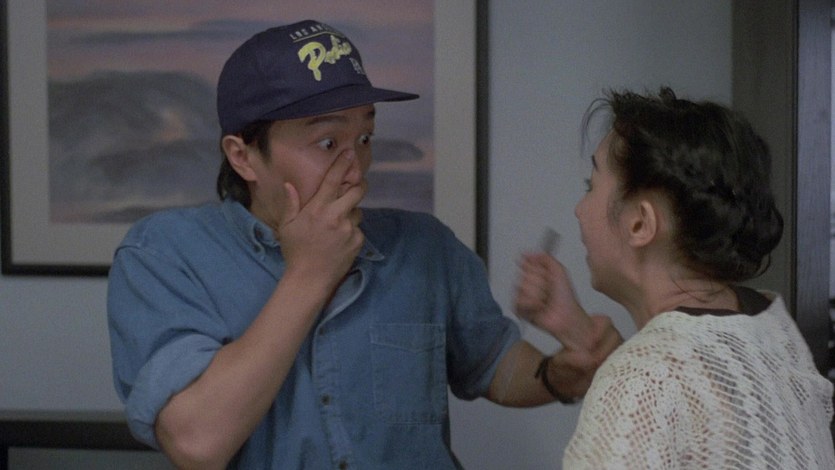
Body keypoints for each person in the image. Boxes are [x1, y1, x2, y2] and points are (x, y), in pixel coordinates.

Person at [107, 20, 621, 469]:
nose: (355, 169)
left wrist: (560, 374)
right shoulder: (164, 254)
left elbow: (494, 367)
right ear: (243, 156)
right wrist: (310, 272)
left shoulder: (424, 246)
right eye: (328, 143)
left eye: (365, 138)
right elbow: (197, 443)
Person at [516, 87, 835, 469]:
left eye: (591, 186)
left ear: (640, 224)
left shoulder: (641, 379)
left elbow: (659, 389)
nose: (579, 209)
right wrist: (578, 330)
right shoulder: (771, 324)